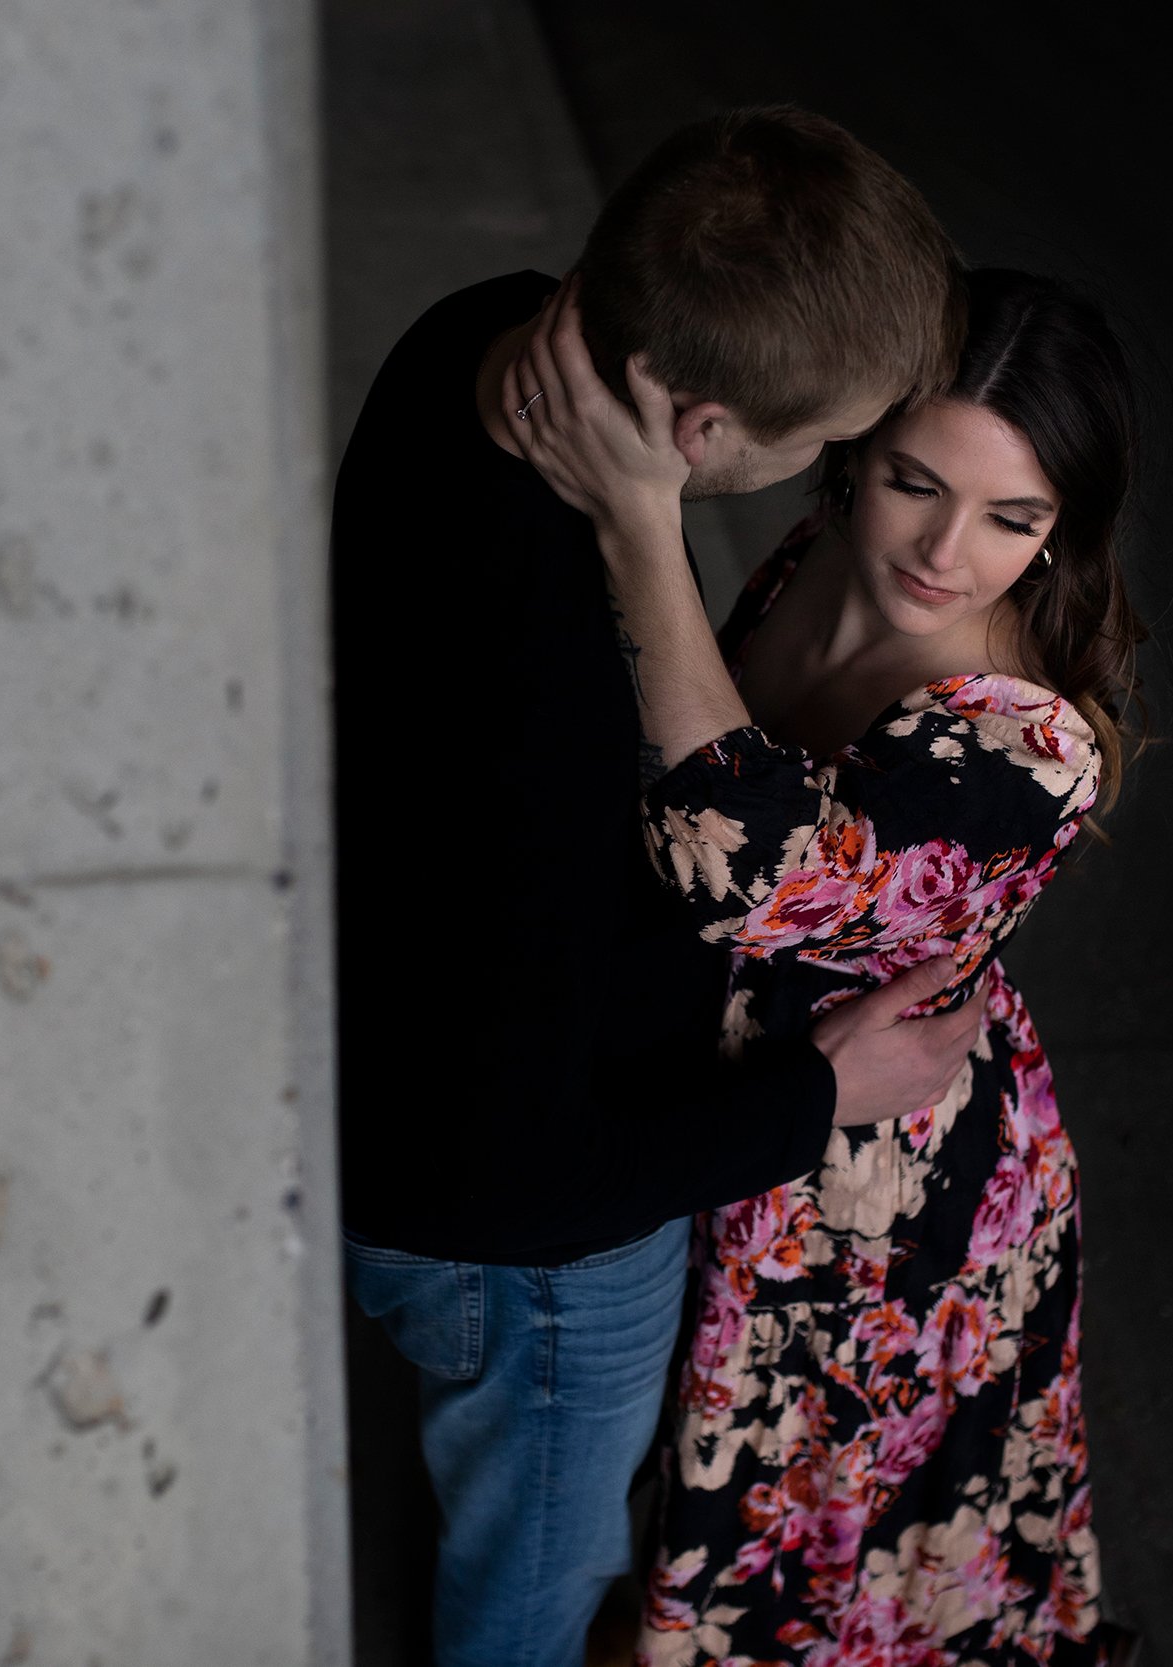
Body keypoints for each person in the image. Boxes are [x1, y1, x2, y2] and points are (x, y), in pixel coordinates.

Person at [331, 108, 979, 1667]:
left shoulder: (467, 335)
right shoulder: (543, 703)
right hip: (519, 1253)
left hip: (395, 1068)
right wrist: (822, 1101)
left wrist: (636, 524)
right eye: (823, 445)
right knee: (535, 1584)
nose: (828, 474)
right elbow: (529, 1177)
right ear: (690, 433)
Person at [506, 267, 1146, 1664]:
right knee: (641, 1499)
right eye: (915, 481)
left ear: (1065, 531)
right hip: (722, 1108)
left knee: (795, 1566)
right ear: (858, 447)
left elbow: (744, 872)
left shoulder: (1028, 746)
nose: (941, 550)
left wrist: (635, 521)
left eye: (1013, 519)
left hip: (871, 1210)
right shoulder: (818, 557)